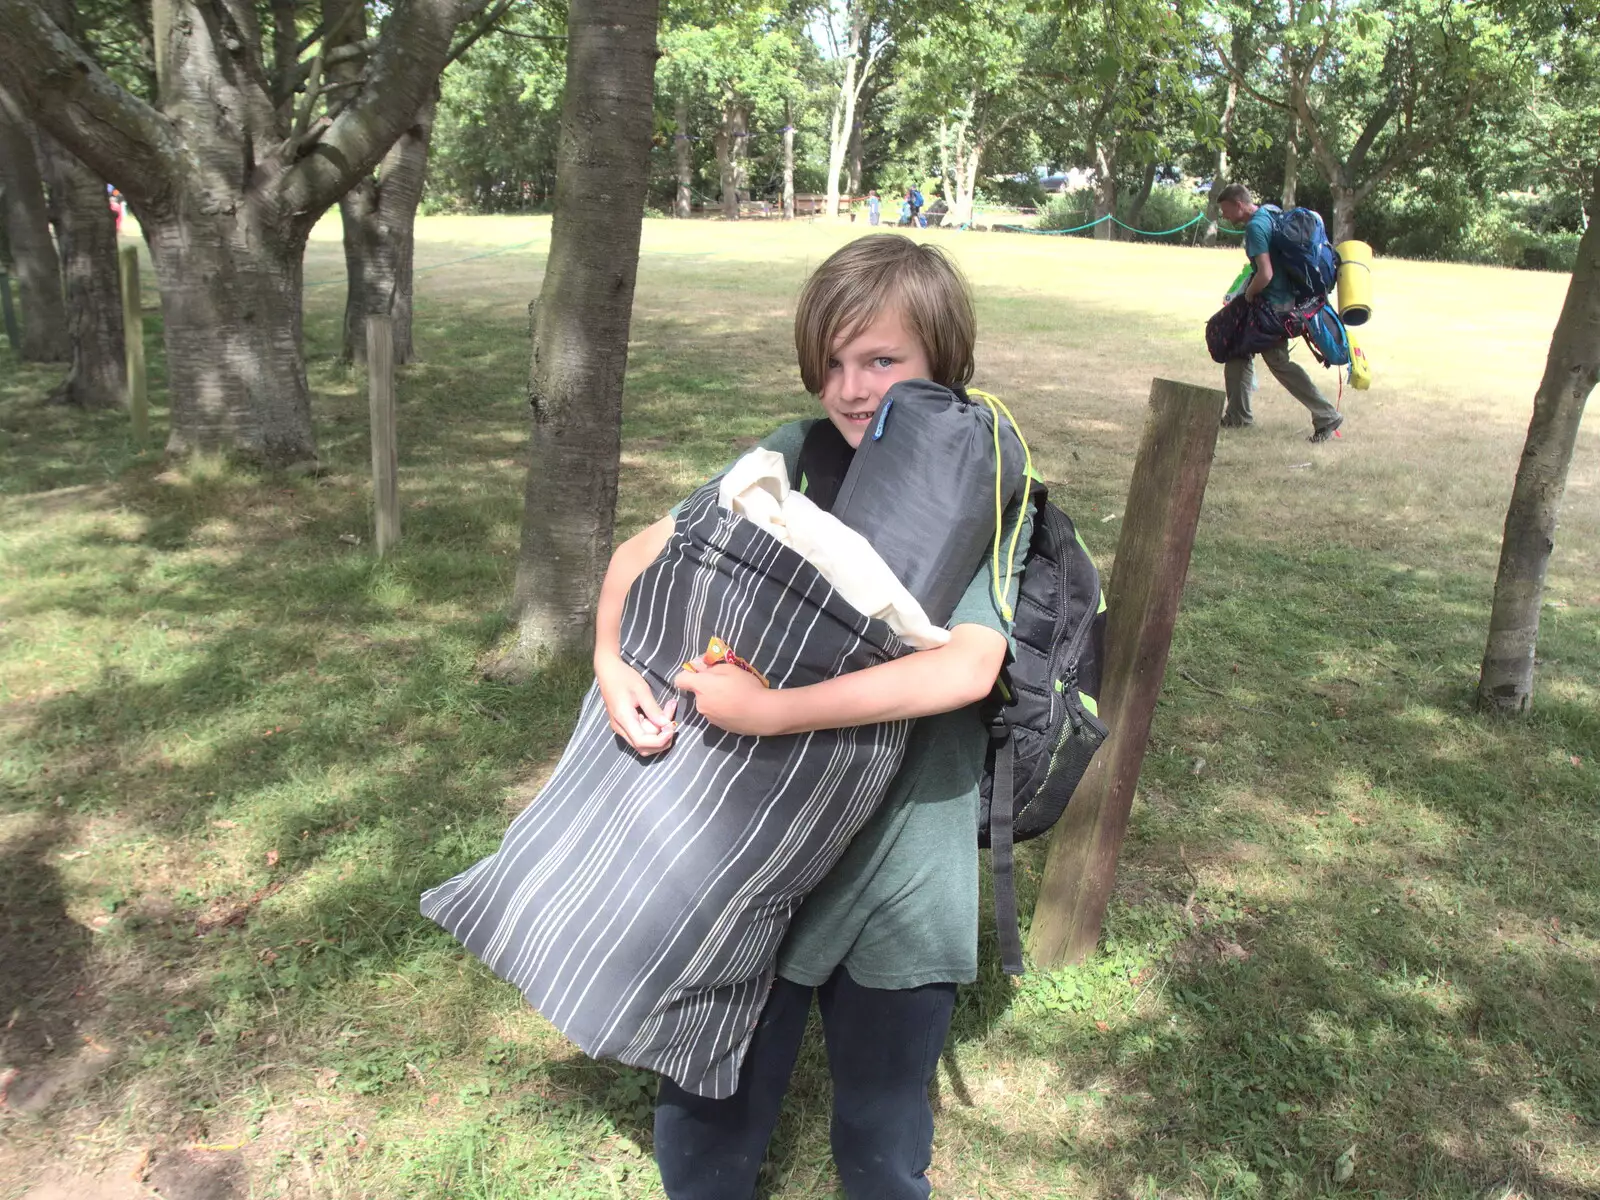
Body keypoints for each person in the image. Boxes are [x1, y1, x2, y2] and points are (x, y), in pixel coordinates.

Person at [591, 234, 1031, 1200]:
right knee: (709, 1110)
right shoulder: (794, 455)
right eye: (833, 362)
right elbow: (649, 549)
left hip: (907, 860)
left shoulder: (979, 474)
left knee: (881, 1135)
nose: (851, 387)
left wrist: (770, 711)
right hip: (769, 848)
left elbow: (967, 666)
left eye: (882, 360)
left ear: (942, 360)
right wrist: (608, 655)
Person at [1215, 182, 1344, 443]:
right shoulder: (1270, 211)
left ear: (1239, 204)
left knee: (1278, 362)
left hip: (1271, 306)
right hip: (1285, 301)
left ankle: (1326, 414)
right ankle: (1238, 415)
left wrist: (1248, 296)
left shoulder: (1254, 228)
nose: (1224, 216)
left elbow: (1266, 273)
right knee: (1236, 348)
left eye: (1226, 210)